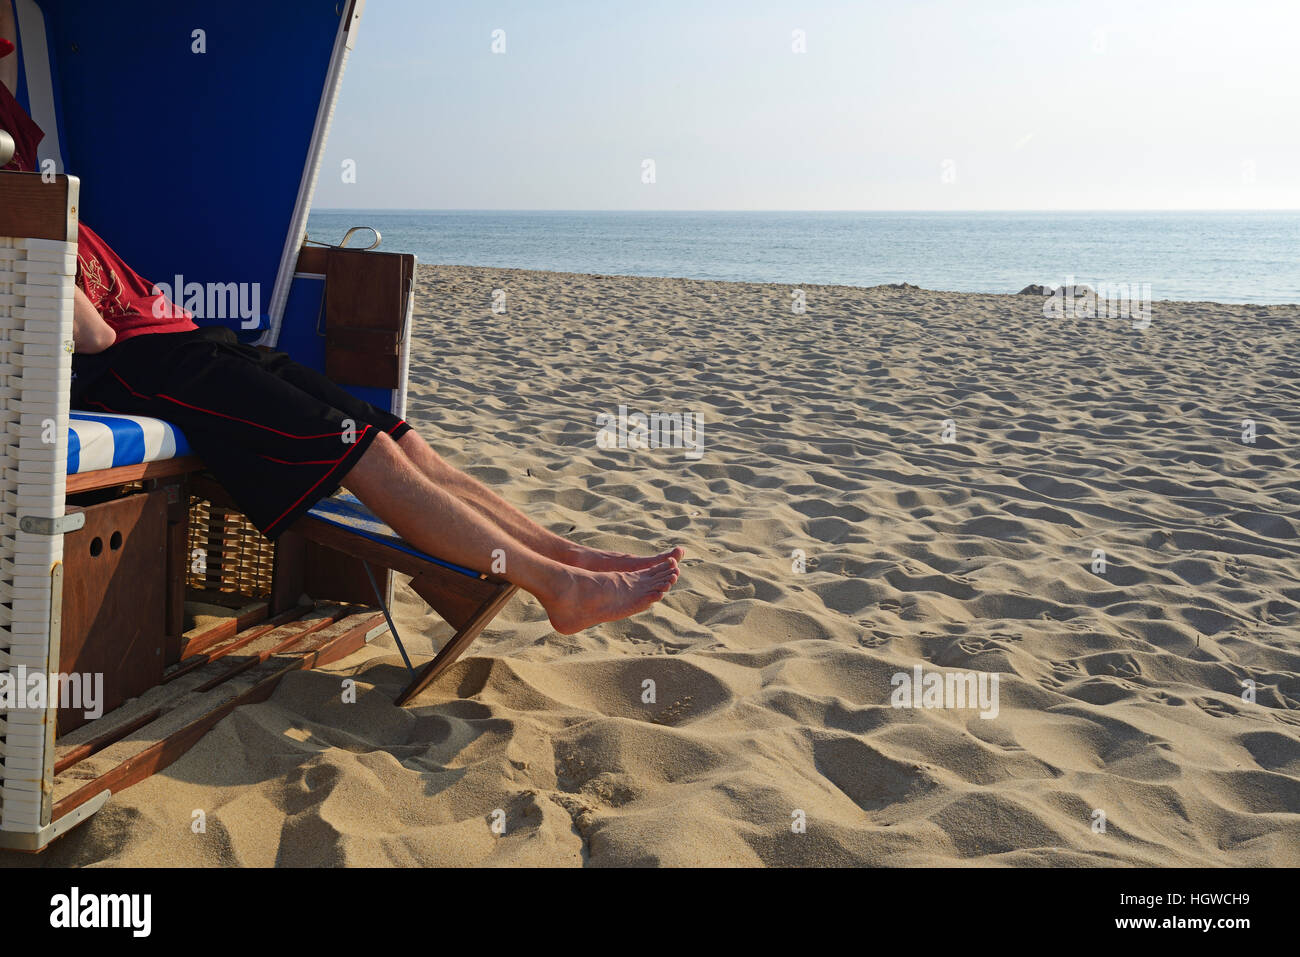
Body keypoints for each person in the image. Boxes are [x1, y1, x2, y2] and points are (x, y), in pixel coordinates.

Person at [0, 2, 679, 634]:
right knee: (362, 449)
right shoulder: (13, 215)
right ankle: (555, 584)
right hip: (144, 367)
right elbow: (94, 335)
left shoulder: (23, 181)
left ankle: (568, 556)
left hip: (190, 342)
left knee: (398, 439)